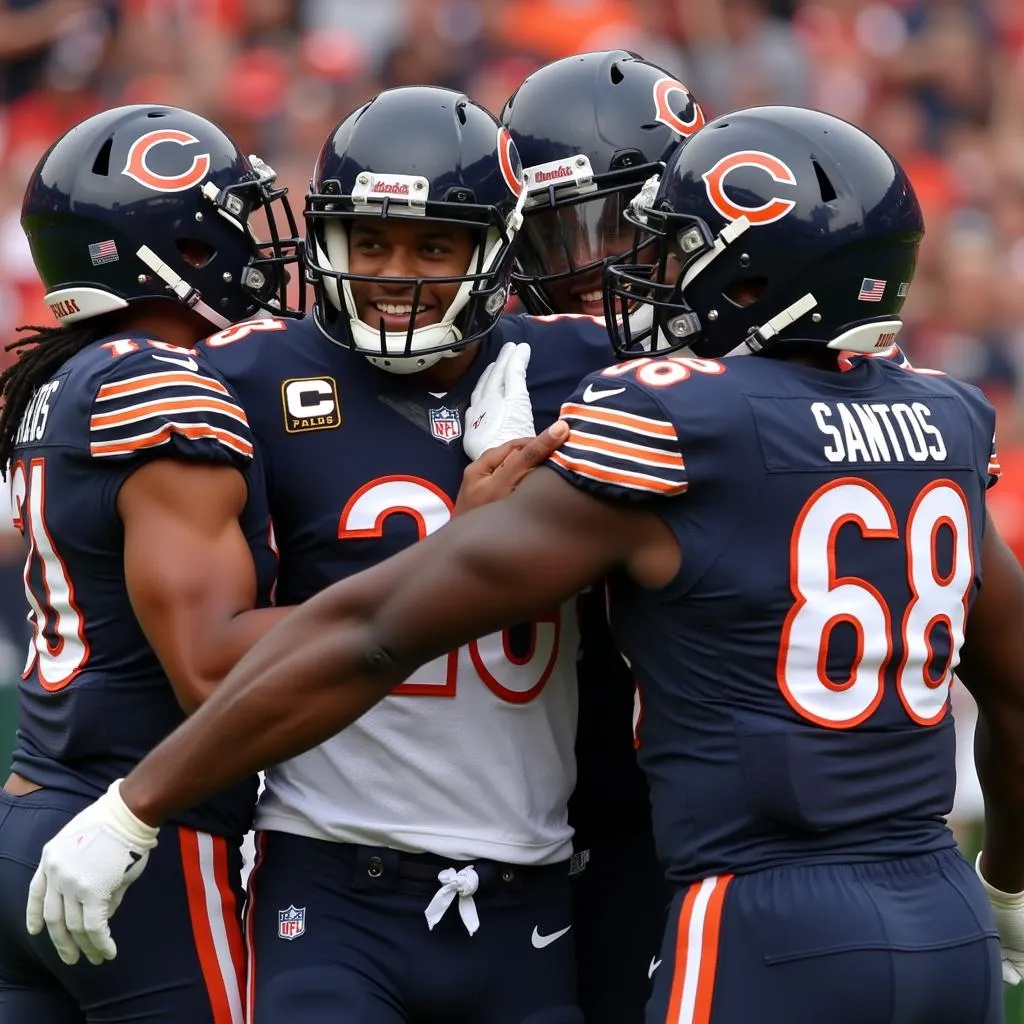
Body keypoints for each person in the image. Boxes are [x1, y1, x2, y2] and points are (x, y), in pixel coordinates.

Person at [29, 103, 1024, 1024]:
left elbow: (381, 627)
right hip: (938, 903)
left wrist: (133, 800)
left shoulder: (658, 406)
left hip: (745, 907)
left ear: (752, 280)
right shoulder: (938, 416)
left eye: (678, 256)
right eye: (368, 240)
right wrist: (1009, 881)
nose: (649, 282)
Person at [109, 85, 620, 1024]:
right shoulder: (250, 373)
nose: (398, 272)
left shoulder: (582, 369)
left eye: (435, 244)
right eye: (371, 241)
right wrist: (470, 543)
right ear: (327, 242)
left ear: (496, 249)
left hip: (529, 879)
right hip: (332, 867)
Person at [0, 103, 307, 1022]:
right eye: (232, 223)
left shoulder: (62, 378)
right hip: (135, 838)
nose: (257, 250)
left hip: (31, 811)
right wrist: (425, 596)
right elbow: (209, 662)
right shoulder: (156, 378)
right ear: (181, 242)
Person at [500, 48, 703, 1022]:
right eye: (552, 236)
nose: (587, 263)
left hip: (690, 824)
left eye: (621, 225)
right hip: (535, 819)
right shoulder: (505, 366)